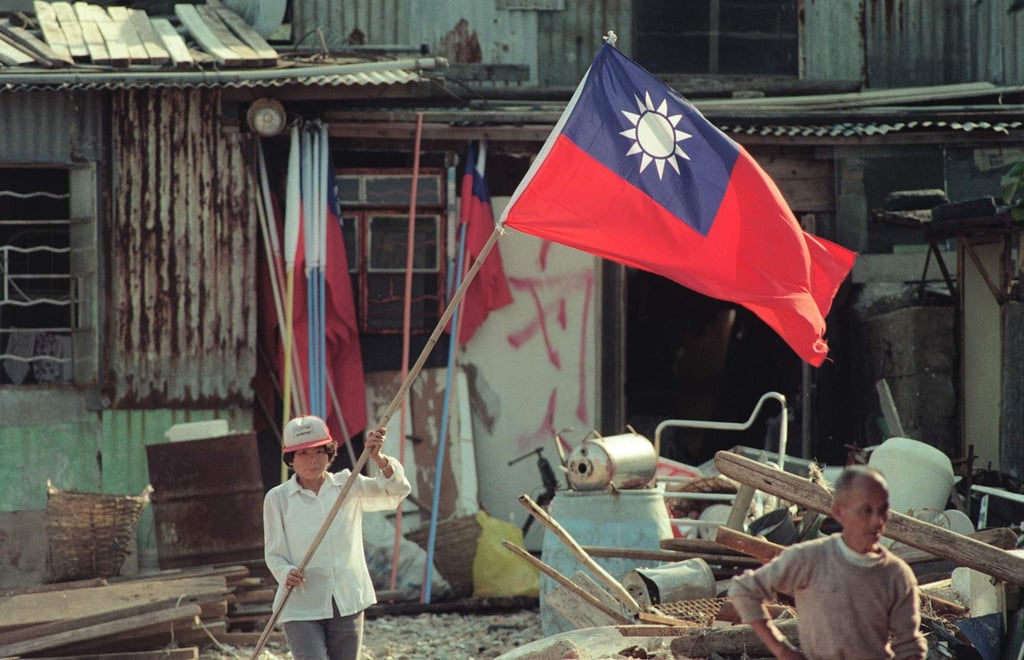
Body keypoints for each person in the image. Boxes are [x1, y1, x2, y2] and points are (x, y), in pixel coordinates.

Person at [728, 465, 927, 660]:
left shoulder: (896, 574)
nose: (877, 521)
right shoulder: (810, 559)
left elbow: (910, 645)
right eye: (866, 511)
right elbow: (744, 590)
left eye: (882, 510)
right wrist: (782, 650)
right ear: (839, 513)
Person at [264, 415, 412, 660]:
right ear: (290, 458)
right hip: (300, 602)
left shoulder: (348, 484)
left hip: (347, 598)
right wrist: (285, 572)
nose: (312, 460)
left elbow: (396, 492)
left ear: (330, 452)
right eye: (303, 454)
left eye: (319, 452)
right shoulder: (277, 499)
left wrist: (378, 458)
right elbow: (274, 554)